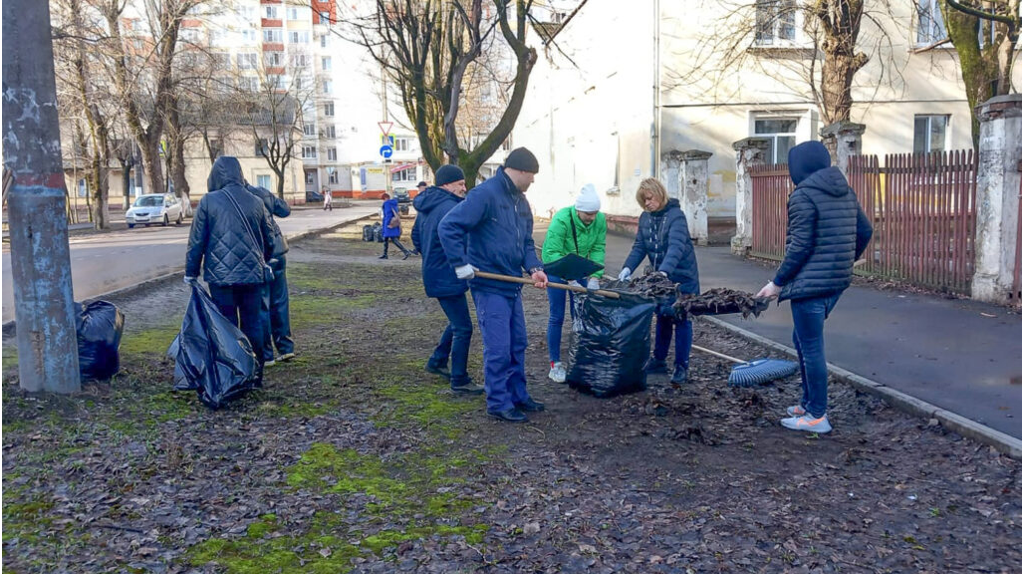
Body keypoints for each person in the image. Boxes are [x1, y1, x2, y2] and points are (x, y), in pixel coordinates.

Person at [756, 141, 873, 434]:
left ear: (800, 168)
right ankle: (808, 405)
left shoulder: (802, 196)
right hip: (836, 282)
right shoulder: (844, 190)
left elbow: (800, 246)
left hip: (810, 284)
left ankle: (817, 416)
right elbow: (865, 230)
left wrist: (777, 283)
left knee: (810, 347)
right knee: (802, 339)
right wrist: (847, 259)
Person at [438, 147, 548, 423]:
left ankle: (517, 394)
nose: (533, 181)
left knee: (518, 343)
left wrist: (534, 268)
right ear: (520, 171)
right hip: (489, 285)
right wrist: (460, 263)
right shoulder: (485, 195)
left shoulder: (520, 203)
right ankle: (498, 402)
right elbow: (448, 226)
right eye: (532, 176)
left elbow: (525, 243)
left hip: (512, 285)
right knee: (498, 347)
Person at [185, 156, 275, 375]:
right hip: (253, 276)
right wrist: (260, 259)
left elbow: (197, 241)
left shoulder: (209, 201)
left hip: (220, 277)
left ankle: (231, 374)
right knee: (252, 324)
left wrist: (191, 272)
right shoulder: (256, 201)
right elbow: (270, 239)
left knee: (225, 325)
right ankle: (255, 372)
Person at [410, 165, 484, 395]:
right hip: (448, 273)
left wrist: (430, 256)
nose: (464, 188)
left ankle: (438, 361)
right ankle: (459, 379)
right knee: (464, 327)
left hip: (436, 271)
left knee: (456, 321)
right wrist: (458, 260)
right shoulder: (452, 208)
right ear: (446, 185)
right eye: (460, 184)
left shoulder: (427, 205)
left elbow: (415, 236)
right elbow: (460, 239)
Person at [618, 178, 699, 386]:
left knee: (681, 319)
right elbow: (639, 246)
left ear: (659, 194)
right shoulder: (645, 218)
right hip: (660, 279)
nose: (647, 204)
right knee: (662, 316)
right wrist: (627, 268)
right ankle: (659, 360)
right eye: (643, 201)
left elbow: (676, 247)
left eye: (649, 199)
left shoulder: (676, 217)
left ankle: (681, 366)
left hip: (682, 277)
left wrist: (663, 272)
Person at [541, 184, 607, 383]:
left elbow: (598, 247)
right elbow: (551, 252)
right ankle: (555, 364)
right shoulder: (562, 219)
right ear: (578, 210)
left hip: (579, 268)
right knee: (557, 315)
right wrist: (569, 279)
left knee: (581, 314)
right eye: (588, 213)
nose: (592, 217)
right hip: (556, 268)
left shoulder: (599, 220)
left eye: (595, 213)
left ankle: (581, 359)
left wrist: (594, 277)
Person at [247, 182, 296, 365]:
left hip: (259, 254)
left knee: (261, 304)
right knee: (280, 300)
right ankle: (285, 348)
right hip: (277, 250)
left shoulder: (234, 196)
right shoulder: (261, 192)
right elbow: (284, 210)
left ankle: (266, 355)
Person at [379, 192, 413, 260]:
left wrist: (387, 224)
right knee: (386, 239)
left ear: (385, 198)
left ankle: (405, 251)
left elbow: (388, 214)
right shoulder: (394, 203)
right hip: (394, 223)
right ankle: (385, 254)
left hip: (389, 224)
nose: (383, 200)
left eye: (383, 199)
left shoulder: (387, 203)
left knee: (393, 239)